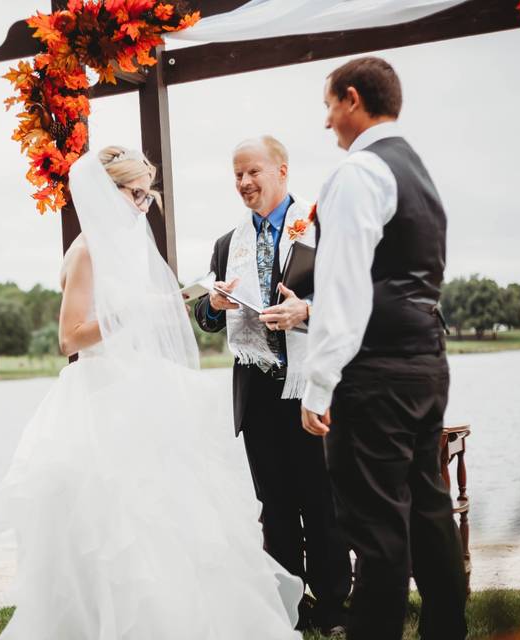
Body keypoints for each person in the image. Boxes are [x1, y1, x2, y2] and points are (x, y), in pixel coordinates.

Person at [0, 146, 303, 639]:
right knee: (115, 522)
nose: (142, 206)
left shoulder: (126, 248)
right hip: (101, 397)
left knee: (169, 514)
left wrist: (197, 296)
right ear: (106, 191)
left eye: (146, 196)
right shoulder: (88, 249)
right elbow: (70, 337)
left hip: (142, 386)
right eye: (135, 195)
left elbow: (145, 305)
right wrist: (134, 314)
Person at [300, 56, 468, 640]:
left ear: (351, 99)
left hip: (374, 373)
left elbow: (343, 290)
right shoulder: (418, 170)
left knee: (375, 529)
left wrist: (317, 384)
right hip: (426, 361)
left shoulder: (359, 173)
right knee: (429, 512)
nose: (327, 122)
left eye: (328, 105)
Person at [193, 135, 351, 635]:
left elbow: (353, 299)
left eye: (253, 172)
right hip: (258, 396)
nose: (244, 183)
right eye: (237, 175)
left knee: (322, 503)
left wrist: (306, 310)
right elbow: (206, 316)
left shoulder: (322, 227)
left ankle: (333, 607)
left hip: (312, 387)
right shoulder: (226, 243)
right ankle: (288, 607)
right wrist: (212, 306)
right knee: (276, 507)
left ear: (282, 171)